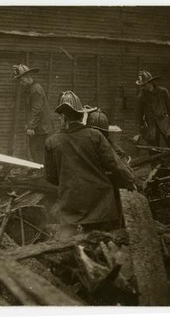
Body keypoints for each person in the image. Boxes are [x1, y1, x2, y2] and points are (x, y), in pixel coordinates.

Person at [44, 91, 136, 240]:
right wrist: (130, 180)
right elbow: (114, 164)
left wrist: (69, 183)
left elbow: (50, 177)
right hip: (99, 203)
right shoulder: (95, 136)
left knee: (66, 239)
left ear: (63, 116)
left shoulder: (51, 142)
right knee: (101, 240)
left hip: (70, 202)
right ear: (81, 115)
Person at [12, 64, 53, 164]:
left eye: (22, 80)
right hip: (37, 127)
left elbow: (36, 110)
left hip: (42, 128)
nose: (21, 83)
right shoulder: (29, 89)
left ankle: (41, 174)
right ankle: (39, 172)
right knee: (34, 151)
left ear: (28, 77)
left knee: (37, 151)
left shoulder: (36, 89)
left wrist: (31, 127)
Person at [135, 70, 170, 147]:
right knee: (153, 150)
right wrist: (141, 129)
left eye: (144, 85)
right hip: (151, 126)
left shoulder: (162, 92)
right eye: (141, 85)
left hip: (165, 122)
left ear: (150, 82)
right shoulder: (141, 97)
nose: (142, 87)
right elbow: (139, 115)